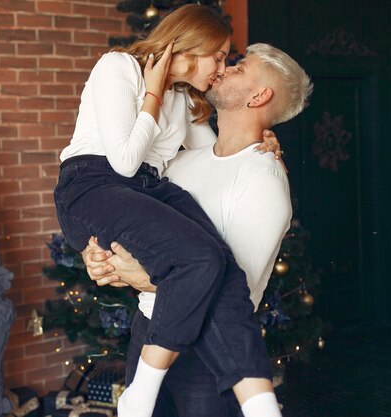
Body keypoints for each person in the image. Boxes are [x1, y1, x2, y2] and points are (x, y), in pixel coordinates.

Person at [54, 4, 289, 417]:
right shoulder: (118, 67)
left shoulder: (182, 100)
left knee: (221, 263)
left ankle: (262, 407)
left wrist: (263, 143)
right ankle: (140, 395)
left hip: (145, 192)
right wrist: (153, 92)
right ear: (190, 45)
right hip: (93, 185)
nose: (220, 69)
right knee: (200, 259)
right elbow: (124, 162)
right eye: (218, 57)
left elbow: (218, 153)